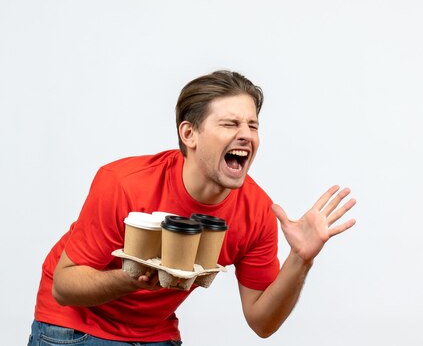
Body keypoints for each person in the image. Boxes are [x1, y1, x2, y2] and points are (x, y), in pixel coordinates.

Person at [29, 70, 356, 345]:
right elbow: (64, 287)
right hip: (74, 326)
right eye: (230, 124)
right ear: (189, 133)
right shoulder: (123, 183)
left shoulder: (256, 211)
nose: (245, 136)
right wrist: (135, 278)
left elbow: (262, 321)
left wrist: (300, 260)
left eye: (252, 126)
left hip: (154, 330)